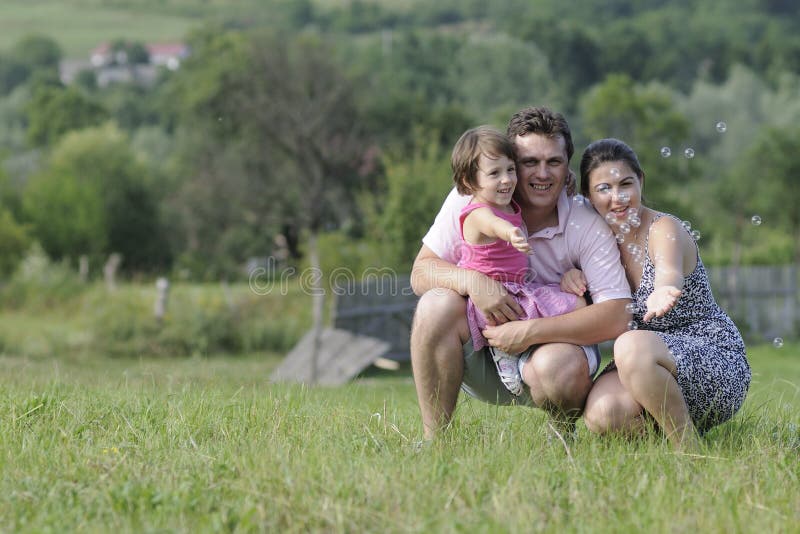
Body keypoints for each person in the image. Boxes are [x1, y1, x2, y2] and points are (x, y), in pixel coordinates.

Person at [410, 107, 631, 441]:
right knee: (434, 305)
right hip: (484, 346)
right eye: (529, 162)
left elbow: (617, 315)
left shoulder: (585, 221)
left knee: (557, 367)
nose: (542, 174)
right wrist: (472, 280)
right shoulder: (472, 198)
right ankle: (434, 441)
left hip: (552, 355)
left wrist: (530, 332)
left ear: (566, 164)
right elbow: (420, 272)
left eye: (553, 162)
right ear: (511, 162)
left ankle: (561, 434)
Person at [577, 138, 751, 449]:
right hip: (642, 364)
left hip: (710, 358)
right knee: (603, 413)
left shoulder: (663, 228)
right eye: (604, 188)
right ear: (588, 196)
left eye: (625, 184)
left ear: (641, 181)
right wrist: (570, 276)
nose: (617, 198)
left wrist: (664, 288)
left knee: (629, 345)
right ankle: (661, 443)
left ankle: (688, 449)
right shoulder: (595, 245)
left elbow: (668, 267)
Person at [450, 125, 586, 396]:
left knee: (578, 302)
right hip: (499, 295)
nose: (507, 180)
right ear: (469, 184)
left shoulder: (509, 201)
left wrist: (566, 179)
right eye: (494, 173)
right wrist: (509, 232)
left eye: (510, 170)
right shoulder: (477, 211)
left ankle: (536, 350)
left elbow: (541, 187)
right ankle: (506, 355)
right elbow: (491, 224)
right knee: (576, 306)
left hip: (518, 287)